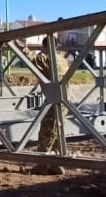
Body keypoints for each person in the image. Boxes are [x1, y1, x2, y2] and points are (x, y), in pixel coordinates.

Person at [19, 35, 71, 175]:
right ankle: (57, 165)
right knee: (57, 132)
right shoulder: (62, 60)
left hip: (54, 100)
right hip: (64, 101)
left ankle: (43, 164)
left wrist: (21, 47)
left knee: (47, 132)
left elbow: (32, 60)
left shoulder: (47, 58)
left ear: (44, 46)